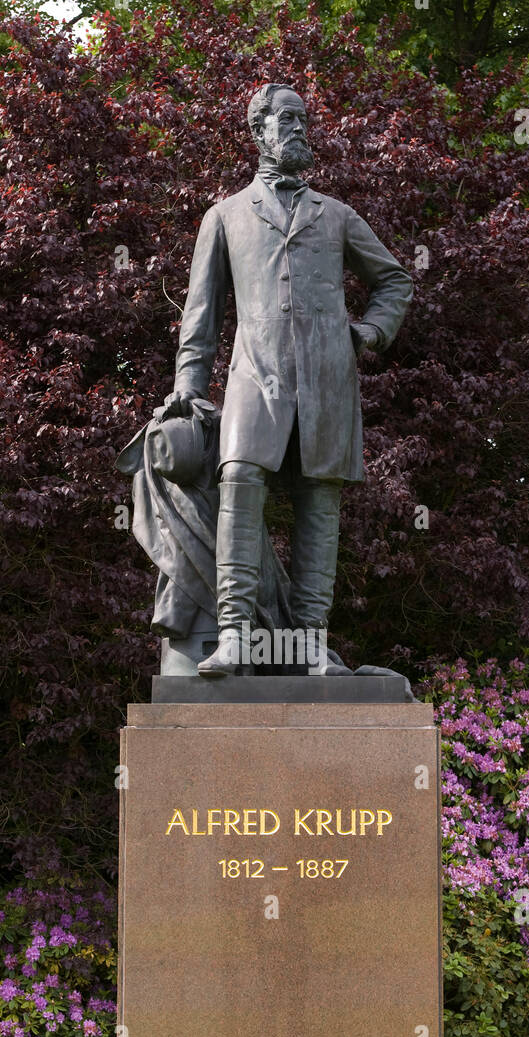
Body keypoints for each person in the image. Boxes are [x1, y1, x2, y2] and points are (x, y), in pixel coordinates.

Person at [161, 83, 413, 676]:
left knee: (319, 503)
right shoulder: (223, 217)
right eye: (287, 120)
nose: (300, 129)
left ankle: (311, 644)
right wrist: (189, 385)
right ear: (259, 131)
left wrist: (368, 332)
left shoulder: (338, 215)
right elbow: (201, 312)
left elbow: (395, 280)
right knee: (240, 486)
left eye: (304, 120)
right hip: (255, 377)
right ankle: (234, 636)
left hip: (328, 383)